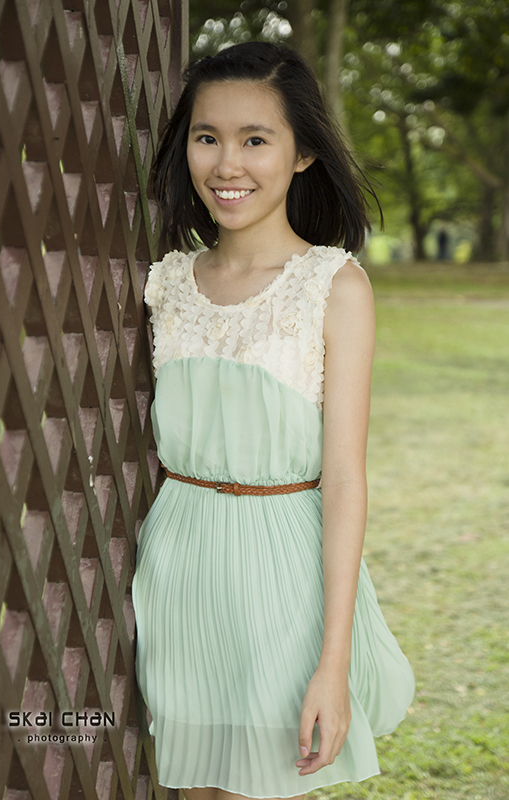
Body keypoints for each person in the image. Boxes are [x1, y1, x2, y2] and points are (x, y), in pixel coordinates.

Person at [131, 41, 415, 800]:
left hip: (283, 574)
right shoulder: (166, 282)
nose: (228, 164)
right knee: (194, 788)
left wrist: (332, 661)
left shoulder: (332, 285)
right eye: (207, 137)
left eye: (255, 139)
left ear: (301, 155)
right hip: (178, 565)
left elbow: (347, 479)